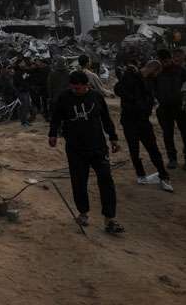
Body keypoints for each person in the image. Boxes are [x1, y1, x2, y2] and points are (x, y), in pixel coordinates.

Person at [48, 71, 124, 234]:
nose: (75, 90)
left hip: (98, 146)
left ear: (86, 85)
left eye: (78, 88)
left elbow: (106, 118)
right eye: (72, 88)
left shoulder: (96, 97)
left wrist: (113, 138)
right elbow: (56, 117)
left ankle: (110, 218)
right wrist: (52, 134)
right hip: (75, 148)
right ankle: (83, 213)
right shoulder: (64, 97)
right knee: (78, 181)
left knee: (106, 180)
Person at [114, 62, 173, 192]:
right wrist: (136, 100)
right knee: (135, 149)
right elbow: (118, 90)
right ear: (153, 69)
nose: (156, 75)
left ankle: (162, 175)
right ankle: (142, 175)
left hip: (142, 120)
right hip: (131, 120)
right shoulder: (131, 76)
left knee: (152, 148)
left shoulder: (148, 81)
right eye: (156, 72)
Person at [154, 49, 186, 170]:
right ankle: (172, 159)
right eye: (162, 61)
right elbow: (153, 88)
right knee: (168, 134)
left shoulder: (181, 70)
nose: (164, 63)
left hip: (180, 107)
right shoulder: (158, 72)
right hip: (164, 108)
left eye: (166, 61)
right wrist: (158, 98)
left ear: (170, 58)